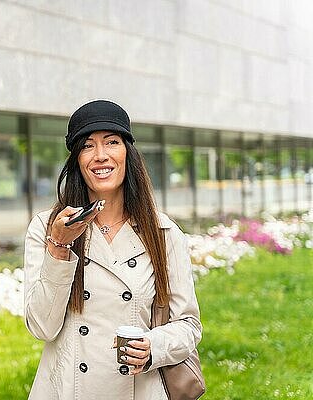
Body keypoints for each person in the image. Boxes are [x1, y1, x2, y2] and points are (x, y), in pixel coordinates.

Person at [23, 100, 202, 399]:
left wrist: (153, 347)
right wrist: (59, 246)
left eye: (112, 142)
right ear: (77, 160)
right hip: (69, 389)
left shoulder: (164, 233)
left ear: (127, 153)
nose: (100, 156)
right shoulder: (47, 227)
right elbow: (42, 327)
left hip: (139, 389)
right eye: (88, 146)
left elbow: (189, 325)